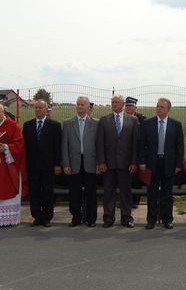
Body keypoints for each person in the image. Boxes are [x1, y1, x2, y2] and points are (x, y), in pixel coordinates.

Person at [139, 98, 184, 229]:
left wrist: (178, 165)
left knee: (167, 193)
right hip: (151, 163)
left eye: (162, 107)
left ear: (168, 109)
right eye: (157, 106)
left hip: (168, 163)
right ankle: (151, 220)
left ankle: (167, 219)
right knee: (151, 193)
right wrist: (141, 162)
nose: (159, 108)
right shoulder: (147, 123)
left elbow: (179, 147)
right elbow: (141, 144)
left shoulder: (176, 124)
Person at [95, 94, 139, 228]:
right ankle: (108, 218)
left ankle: (126, 218)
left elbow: (135, 143)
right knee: (108, 192)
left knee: (126, 192)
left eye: (116, 102)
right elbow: (100, 143)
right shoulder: (104, 120)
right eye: (112, 102)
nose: (114, 104)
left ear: (123, 104)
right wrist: (101, 161)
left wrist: (133, 162)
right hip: (108, 164)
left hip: (126, 164)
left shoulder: (133, 120)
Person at [22, 99, 62, 227]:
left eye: (40, 108)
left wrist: (57, 164)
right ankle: (36, 217)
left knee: (47, 192)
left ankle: (46, 217)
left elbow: (58, 146)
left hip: (48, 166)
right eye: (36, 108)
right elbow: (25, 147)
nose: (38, 110)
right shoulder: (27, 125)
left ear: (46, 110)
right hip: (32, 165)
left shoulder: (55, 125)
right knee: (34, 192)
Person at [61, 96, 99, 227]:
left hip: (91, 163)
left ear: (88, 107)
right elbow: (64, 145)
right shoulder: (67, 123)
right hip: (74, 163)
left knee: (91, 193)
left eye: (82, 105)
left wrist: (99, 163)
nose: (79, 107)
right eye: (78, 104)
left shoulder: (96, 123)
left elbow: (98, 145)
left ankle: (91, 219)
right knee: (74, 193)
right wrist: (66, 164)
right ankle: (76, 217)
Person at [125, 96, 147, 207]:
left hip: (137, 153)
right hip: (124, 154)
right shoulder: (121, 118)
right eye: (127, 105)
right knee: (125, 179)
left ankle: (135, 201)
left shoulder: (142, 120)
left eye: (130, 106)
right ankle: (125, 200)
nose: (128, 107)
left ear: (135, 108)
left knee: (136, 179)